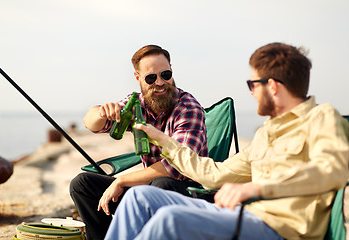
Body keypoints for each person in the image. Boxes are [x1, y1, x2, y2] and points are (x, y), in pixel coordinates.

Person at [105, 42, 349, 240]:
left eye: (253, 84)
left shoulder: (321, 117)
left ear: (272, 87)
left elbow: (333, 171)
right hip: (246, 215)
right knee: (139, 198)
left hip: (280, 229)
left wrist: (257, 188)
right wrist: (162, 140)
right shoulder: (266, 133)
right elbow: (213, 174)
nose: (251, 92)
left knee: (169, 219)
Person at [69, 45, 208, 240]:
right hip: (146, 188)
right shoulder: (137, 104)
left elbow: (177, 167)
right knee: (82, 184)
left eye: (165, 74)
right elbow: (92, 124)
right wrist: (101, 111)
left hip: (185, 191)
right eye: (151, 78)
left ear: (172, 71)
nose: (160, 82)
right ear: (138, 78)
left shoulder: (188, 107)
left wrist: (122, 180)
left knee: (162, 184)